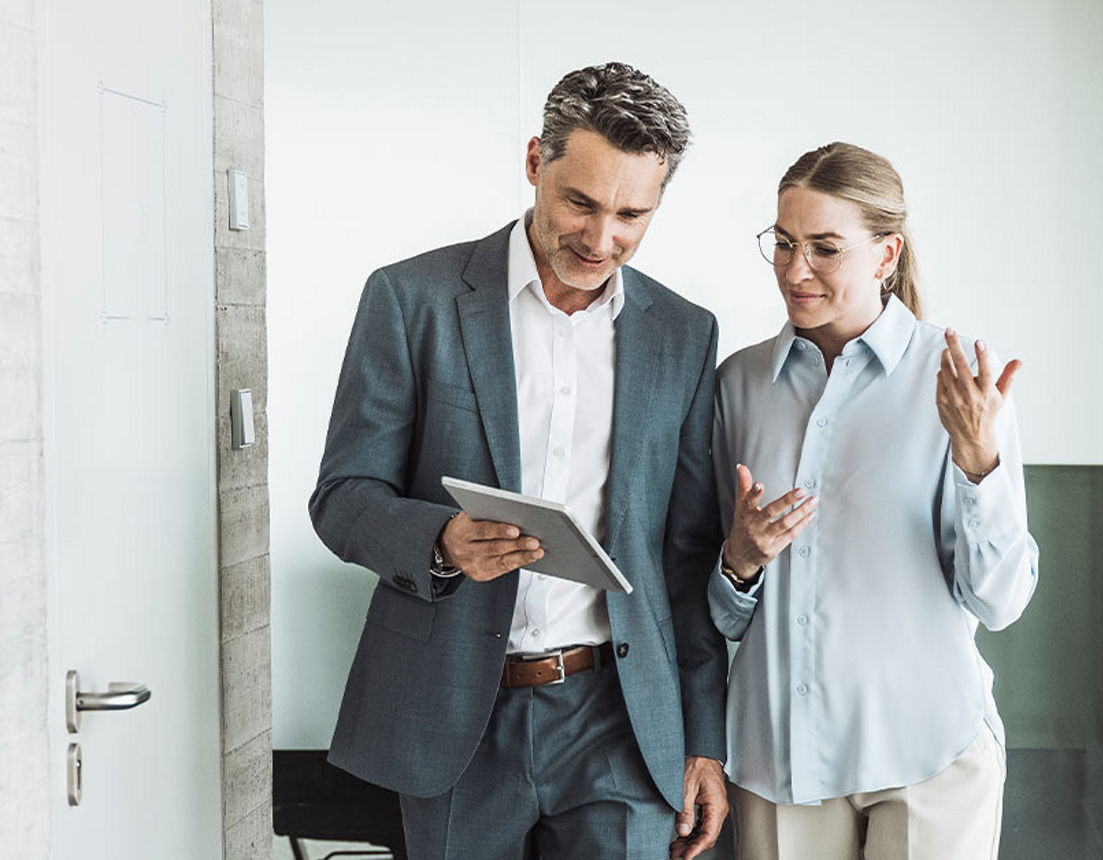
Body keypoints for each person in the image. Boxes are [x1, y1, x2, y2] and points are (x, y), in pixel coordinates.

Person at [309, 62, 729, 860]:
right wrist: (439, 541)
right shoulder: (411, 298)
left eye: (632, 214)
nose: (602, 239)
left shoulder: (684, 333)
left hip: (622, 720)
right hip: (456, 718)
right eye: (580, 202)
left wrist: (704, 740)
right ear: (536, 160)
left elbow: (685, 554)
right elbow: (342, 497)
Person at [707, 142, 1040, 860]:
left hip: (931, 759)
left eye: (825, 248)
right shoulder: (737, 387)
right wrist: (739, 562)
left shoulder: (958, 382)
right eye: (784, 244)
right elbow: (717, 613)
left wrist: (979, 464)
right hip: (778, 763)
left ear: (887, 255)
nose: (796, 271)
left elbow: (1001, 602)